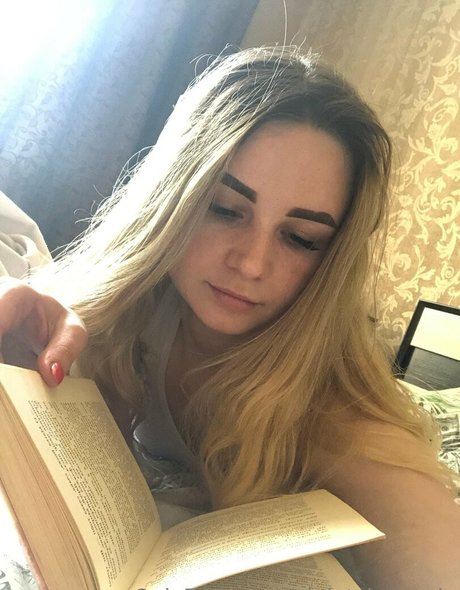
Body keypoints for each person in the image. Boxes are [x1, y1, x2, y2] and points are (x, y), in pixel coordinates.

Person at [0, 46, 459, 589]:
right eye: (224, 209)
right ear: (173, 198)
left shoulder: (331, 413)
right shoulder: (115, 317)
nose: (252, 263)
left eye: (301, 238)